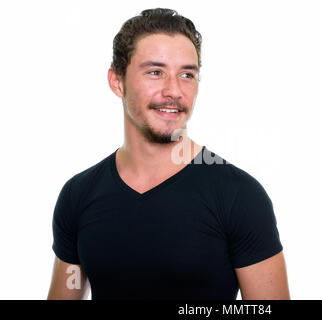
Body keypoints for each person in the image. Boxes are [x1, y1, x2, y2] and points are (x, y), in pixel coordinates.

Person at [47, 8, 290, 300]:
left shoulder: (239, 196)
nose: (173, 90)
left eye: (187, 74)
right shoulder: (79, 195)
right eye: (155, 72)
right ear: (117, 81)